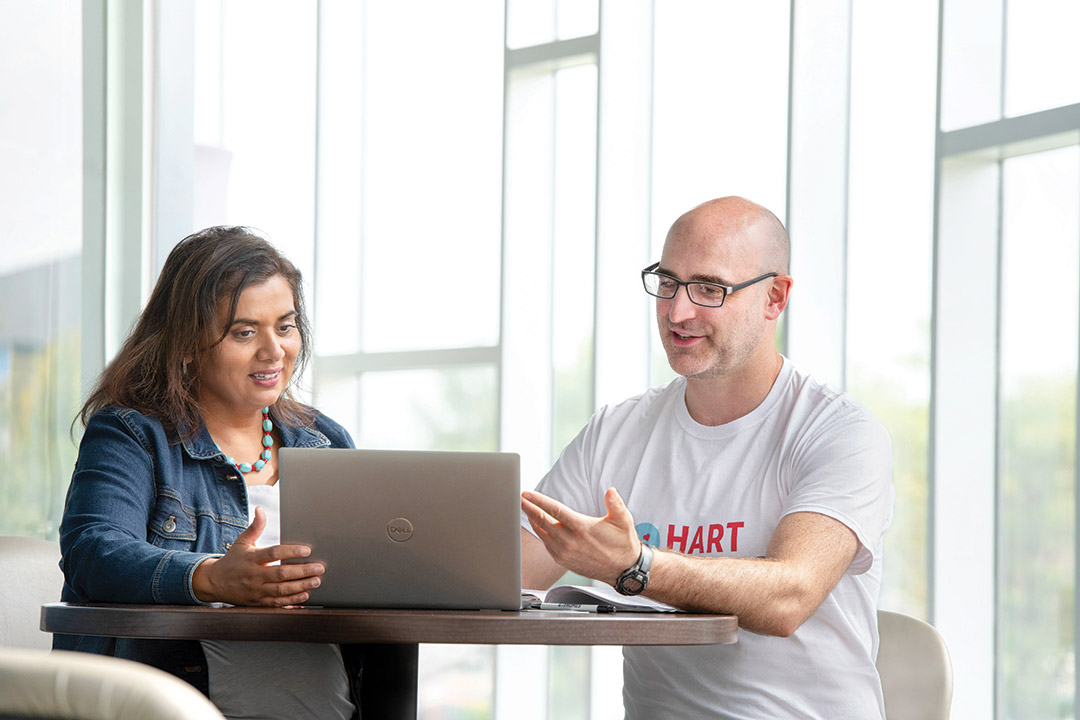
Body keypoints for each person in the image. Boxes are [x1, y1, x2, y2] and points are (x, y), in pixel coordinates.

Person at [520, 196, 895, 719]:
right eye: (668, 282)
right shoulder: (617, 430)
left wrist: (638, 566)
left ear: (774, 297)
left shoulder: (839, 432)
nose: (677, 311)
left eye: (709, 289)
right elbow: (512, 568)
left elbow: (790, 595)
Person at [56, 226, 361, 719]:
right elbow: (95, 551)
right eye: (244, 332)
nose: (273, 351)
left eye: (284, 326)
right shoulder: (133, 432)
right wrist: (210, 578)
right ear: (185, 344)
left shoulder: (326, 439)